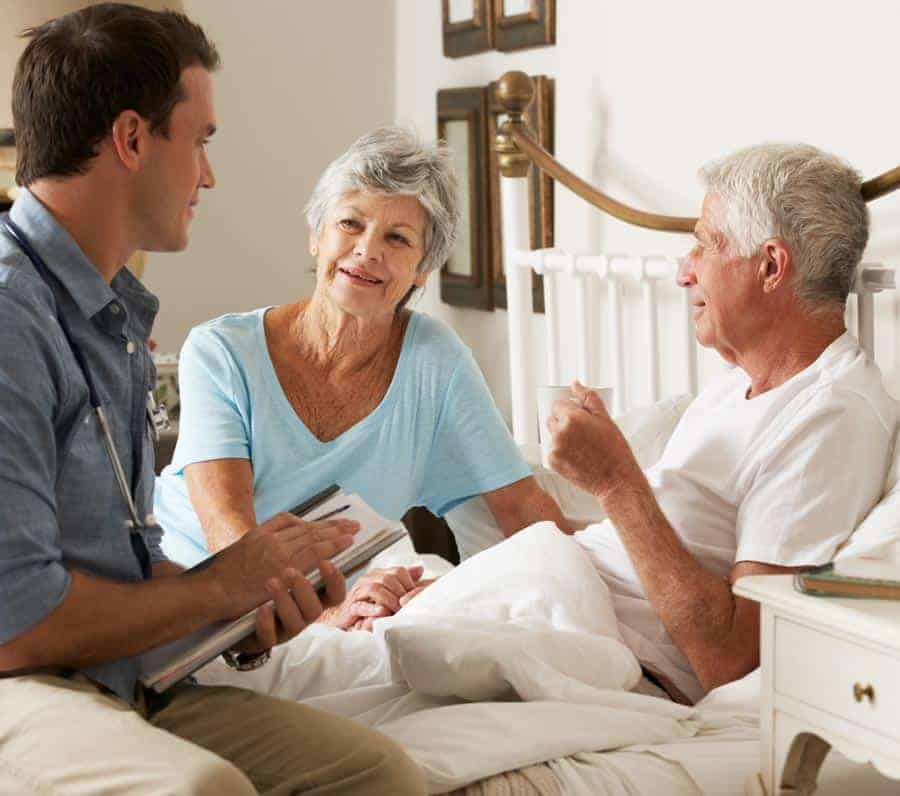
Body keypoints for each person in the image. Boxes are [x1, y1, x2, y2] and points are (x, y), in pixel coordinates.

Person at [0, 5, 425, 794]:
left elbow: (123, 569)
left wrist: (241, 608)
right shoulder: (9, 318)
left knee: (379, 773)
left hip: (114, 675)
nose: (208, 174)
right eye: (199, 142)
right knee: (201, 789)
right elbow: (16, 624)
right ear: (131, 140)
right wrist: (218, 585)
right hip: (18, 685)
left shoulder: (113, 316)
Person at [153, 126, 566, 629]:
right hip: (201, 605)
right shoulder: (220, 352)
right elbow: (232, 547)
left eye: (397, 238)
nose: (368, 250)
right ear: (316, 236)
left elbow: (522, 508)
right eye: (350, 224)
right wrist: (330, 615)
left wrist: (599, 596)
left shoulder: (436, 362)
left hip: (333, 608)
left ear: (422, 269)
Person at [545, 143, 897, 704]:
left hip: (602, 653)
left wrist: (616, 482)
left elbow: (732, 660)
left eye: (705, 244)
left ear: (772, 266)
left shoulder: (832, 416)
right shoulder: (736, 385)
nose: (684, 272)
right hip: (550, 600)